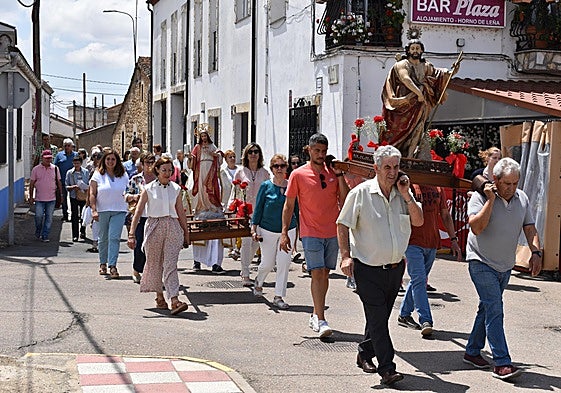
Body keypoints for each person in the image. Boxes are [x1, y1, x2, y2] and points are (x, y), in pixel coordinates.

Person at [336, 145, 423, 386]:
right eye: (387, 167)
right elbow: (342, 224)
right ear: (375, 168)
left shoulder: (403, 194)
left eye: (396, 167)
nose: (393, 172)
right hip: (367, 269)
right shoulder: (361, 193)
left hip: (395, 270)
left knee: (379, 318)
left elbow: (418, 220)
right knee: (377, 318)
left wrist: (407, 195)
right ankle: (387, 368)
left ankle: (364, 352)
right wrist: (345, 256)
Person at [463, 157, 541, 381]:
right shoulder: (479, 198)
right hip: (480, 261)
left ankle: (472, 351)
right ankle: (501, 362)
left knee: (487, 308)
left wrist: (536, 252)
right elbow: (476, 228)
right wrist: (490, 199)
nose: (512, 188)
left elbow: (529, 227)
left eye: (515, 183)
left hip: (505, 265)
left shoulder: (522, 198)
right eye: (507, 184)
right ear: (495, 180)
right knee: (495, 308)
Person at [280, 133, 349, 338]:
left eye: (323, 151)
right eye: (317, 150)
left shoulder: (332, 173)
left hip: (332, 231)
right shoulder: (298, 174)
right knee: (317, 272)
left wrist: (339, 175)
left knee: (326, 273)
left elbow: (344, 199)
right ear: (309, 150)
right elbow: (289, 205)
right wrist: (284, 232)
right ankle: (320, 318)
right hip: (310, 232)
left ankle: (315, 313)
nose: (320, 154)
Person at [127, 157, 190, 315]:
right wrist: (131, 234)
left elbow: (181, 213)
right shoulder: (148, 188)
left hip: (173, 226)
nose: (167, 173)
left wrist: (186, 233)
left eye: (170, 170)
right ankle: (160, 296)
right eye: (164, 170)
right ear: (157, 170)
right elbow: (139, 211)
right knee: (155, 263)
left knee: (170, 264)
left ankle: (174, 299)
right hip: (154, 226)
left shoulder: (175, 188)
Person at [397, 184, 462, 336]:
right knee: (419, 280)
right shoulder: (409, 185)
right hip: (413, 241)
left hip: (432, 242)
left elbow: (445, 215)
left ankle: (404, 314)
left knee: (417, 281)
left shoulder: (438, 187)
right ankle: (426, 319)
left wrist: (453, 239)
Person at [381, 38, 459, 158]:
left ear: (422, 50)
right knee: (398, 130)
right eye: (412, 48)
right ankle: (393, 154)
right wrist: (419, 93)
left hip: (420, 104)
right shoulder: (402, 64)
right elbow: (406, 79)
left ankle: (410, 156)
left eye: (418, 48)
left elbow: (440, 75)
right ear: (408, 51)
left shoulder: (426, 66)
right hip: (404, 102)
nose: (415, 51)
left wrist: (453, 71)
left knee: (418, 128)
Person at [251, 154, 298, 309]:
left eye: (282, 166)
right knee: (268, 262)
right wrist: (253, 227)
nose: (279, 169)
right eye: (276, 166)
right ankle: (259, 280)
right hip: (267, 229)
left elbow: (296, 209)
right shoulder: (266, 186)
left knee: (284, 262)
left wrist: (300, 231)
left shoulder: (292, 184)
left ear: (286, 168)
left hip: (289, 229)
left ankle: (278, 296)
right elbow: (258, 208)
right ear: (271, 169)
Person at [230, 143, 270, 286]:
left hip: (260, 212)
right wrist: (231, 208)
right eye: (250, 152)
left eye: (256, 152)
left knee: (256, 242)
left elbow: (268, 192)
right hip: (245, 211)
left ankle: (245, 264)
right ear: (246, 155)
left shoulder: (265, 173)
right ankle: (245, 272)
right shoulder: (240, 172)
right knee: (246, 242)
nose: (253, 154)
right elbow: (234, 192)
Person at [189, 126, 226, 273]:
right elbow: (192, 162)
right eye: (201, 136)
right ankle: (202, 206)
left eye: (205, 136)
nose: (203, 138)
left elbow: (219, 158)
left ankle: (211, 206)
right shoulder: (197, 147)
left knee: (210, 188)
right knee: (202, 190)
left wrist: (217, 155)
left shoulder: (212, 146)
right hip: (200, 169)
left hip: (210, 168)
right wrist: (191, 158)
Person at [89, 150, 129, 279]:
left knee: (114, 237)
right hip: (102, 210)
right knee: (103, 238)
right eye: (108, 159)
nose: (110, 162)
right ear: (104, 161)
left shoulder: (123, 175)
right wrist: (94, 210)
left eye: (113, 159)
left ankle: (112, 265)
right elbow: (92, 194)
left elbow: (129, 190)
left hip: (119, 209)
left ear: (117, 161)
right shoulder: (97, 175)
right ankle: (102, 263)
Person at [125, 153, 157, 283]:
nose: (150, 165)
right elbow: (126, 195)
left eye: (152, 162)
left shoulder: (159, 179)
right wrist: (134, 197)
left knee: (154, 247)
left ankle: (151, 273)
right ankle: (137, 269)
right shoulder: (136, 179)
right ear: (142, 165)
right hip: (140, 217)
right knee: (139, 246)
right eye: (147, 163)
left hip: (155, 217)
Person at [29, 150, 62, 242]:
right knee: (38, 216)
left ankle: (45, 235)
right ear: (42, 158)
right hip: (39, 198)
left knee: (49, 218)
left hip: (52, 199)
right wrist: (31, 197)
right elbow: (31, 184)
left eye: (50, 158)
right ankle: (38, 230)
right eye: (46, 158)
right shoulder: (36, 169)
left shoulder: (55, 168)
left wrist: (61, 194)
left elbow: (58, 182)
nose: (48, 160)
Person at [220, 149, 240, 260]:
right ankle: (231, 247)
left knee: (239, 223)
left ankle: (238, 247)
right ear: (226, 159)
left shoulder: (240, 170)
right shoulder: (223, 172)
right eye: (230, 157)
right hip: (227, 200)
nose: (232, 159)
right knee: (231, 224)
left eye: (233, 156)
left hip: (239, 199)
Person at [65, 156, 90, 242]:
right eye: (75, 163)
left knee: (84, 215)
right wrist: (73, 187)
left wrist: (86, 188)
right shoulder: (70, 173)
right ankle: (75, 235)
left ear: (81, 163)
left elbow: (89, 184)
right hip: (74, 196)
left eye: (78, 163)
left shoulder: (86, 172)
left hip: (84, 196)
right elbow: (66, 186)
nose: (76, 165)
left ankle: (82, 231)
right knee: (74, 216)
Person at [54, 138, 78, 221]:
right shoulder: (59, 155)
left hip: (74, 181)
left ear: (72, 147)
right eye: (65, 146)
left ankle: (75, 215)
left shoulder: (76, 155)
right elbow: (55, 167)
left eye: (68, 146)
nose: (67, 147)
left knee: (74, 198)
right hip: (62, 181)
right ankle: (65, 215)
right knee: (63, 199)